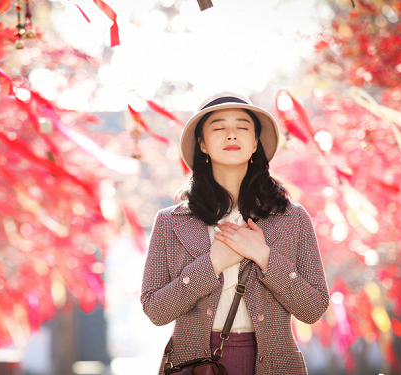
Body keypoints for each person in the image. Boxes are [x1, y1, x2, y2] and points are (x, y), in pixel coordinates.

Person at [140, 91, 330, 375]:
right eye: (218, 128)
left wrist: (264, 256)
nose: (231, 135)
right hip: (194, 367)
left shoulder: (292, 218)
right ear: (202, 144)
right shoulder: (170, 222)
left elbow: (313, 308)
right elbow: (156, 310)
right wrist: (212, 263)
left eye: (242, 127)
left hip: (276, 366)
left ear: (255, 143)